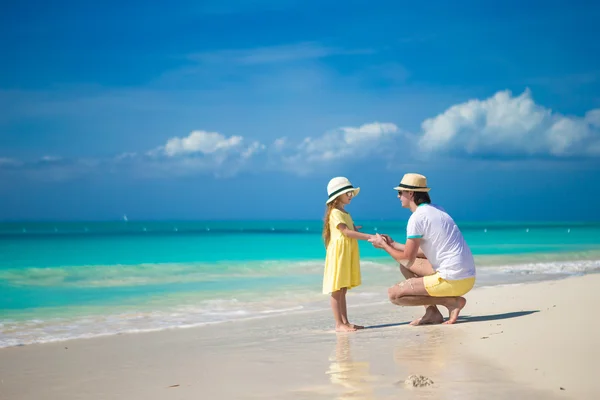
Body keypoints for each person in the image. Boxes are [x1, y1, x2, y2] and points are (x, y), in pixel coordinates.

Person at [369, 173, 476, 325]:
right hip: (467, 277)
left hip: (453, 280)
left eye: (400, 192)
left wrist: (384, 246)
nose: (398, 196)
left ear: (410, 193)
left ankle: (451, 302)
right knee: (406, 268)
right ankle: (432, 312)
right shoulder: (438, 209)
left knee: (394, 295)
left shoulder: (417, 218)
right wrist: (392, 244)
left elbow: (407, 259)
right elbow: (424, 253)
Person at [322, 177, 377, 332]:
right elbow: (345, 232)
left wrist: (356, 229)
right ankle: (338, 324)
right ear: (338, 195)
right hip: (339, 254)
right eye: (348, 193)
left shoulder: (344, 212)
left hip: (346, 253)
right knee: (336, 288)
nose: (351, 195)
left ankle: (345, 322)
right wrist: (369, 237)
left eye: (351, 193)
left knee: (343, 288)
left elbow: (350, 229)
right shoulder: (335, 212)